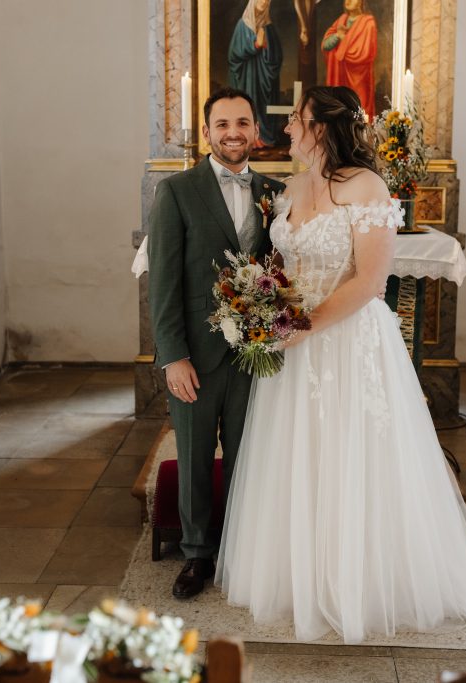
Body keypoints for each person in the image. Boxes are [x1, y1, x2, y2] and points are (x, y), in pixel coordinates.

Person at [215, 85, 466, 643]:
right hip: (293, 350)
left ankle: (363, 576)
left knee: (353, 453)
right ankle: (303, 571)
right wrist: (263, 308)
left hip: (346, 341)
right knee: (301, 452)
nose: (288, 127)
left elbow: (369, 282)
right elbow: (282, 266)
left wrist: (299, 327)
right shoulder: (291, 188)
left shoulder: (367, 186)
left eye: (297, 119)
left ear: (323, 127)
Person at [148, 87, 286, 599]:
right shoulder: (177, 192)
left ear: (256, 131)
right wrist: (173, 357)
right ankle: (196, 553)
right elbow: (163, 283)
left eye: (242, 123)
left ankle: (243, 546)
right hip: (197, 356)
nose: (233, 133)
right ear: (207, 132)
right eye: (223, 124)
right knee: (195, 456)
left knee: (251, 455)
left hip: (257, 352)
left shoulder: (276, 193)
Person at [228, 0, 283, 147]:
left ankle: (263, 138)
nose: (264, 2)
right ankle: (247, 137)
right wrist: (255, 45)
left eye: (267, 0)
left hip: (264, 79)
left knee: (262, 106)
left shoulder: (269, 28)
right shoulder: (242, 25)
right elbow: (233, 55)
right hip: (246, 78)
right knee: (247, 104)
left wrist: (266, 48)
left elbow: (277, 57)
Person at [322, 0, 377, 118]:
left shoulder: (368, 23)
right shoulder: (341, 20)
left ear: (361, 2)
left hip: (359, 78)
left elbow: (364, 53)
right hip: (340, 76)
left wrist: (343, 41)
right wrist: (337, 36)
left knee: (359, 113)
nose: (348, 1)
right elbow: (325, 45)